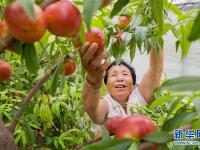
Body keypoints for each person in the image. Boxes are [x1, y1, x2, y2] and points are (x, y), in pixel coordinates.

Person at [79, 42, 164, 126]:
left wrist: (153, 35)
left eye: (125, 74)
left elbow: (156, 69)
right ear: (106, 85)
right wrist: (93, 81)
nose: (120, 78)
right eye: (114, 75)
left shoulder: (140, 96)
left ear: (133, 84)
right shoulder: (106, 103)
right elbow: (93, 111)